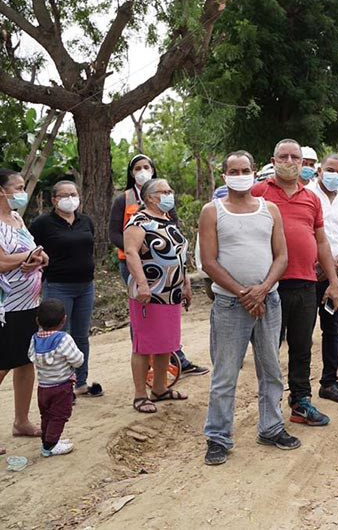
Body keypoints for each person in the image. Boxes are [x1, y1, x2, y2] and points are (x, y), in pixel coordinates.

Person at [200, 151, 299, 465]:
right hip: (231, 304)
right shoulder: (212, 211)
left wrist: (263, 288)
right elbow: (208, 261)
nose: (240, 175)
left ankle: (271, 427)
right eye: (234, 171)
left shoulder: (269, 209)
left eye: (245, 170)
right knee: (225, 374)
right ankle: (218, 437)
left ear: (254, 172)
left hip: (268, 301)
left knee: (271, 369)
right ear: (224, 175)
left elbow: (282, 256)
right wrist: (243, 293)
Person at [251, 139, 338, 427]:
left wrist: (333, 281)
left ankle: (301, 402)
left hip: (305, 284)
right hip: (270, 286)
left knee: (302, 347)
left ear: (303, 163)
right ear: (273, 161)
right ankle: (270, 409)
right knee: (269, 350)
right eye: (283, 156)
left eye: (295, 157)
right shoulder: (258, 193)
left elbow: (321, 241)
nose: (289, 161)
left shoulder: (311, 198)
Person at [109, 154, 207, 377]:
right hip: (142, 272)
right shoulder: (126, 202)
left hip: (170, 285)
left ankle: (170, 372)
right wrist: (139, 249)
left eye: (147, 167)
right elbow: (116, 234)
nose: (169, 195)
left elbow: (176, 243)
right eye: (138, 168)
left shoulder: (166, 213)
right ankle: (144, 380)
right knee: (146, 331)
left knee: (167, 334)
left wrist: (185, 281)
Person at [124, 178, 192, 413]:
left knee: (166, 342)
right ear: (150, 197)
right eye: (164, 191)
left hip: (171, 293)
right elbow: (131, 253)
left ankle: (160, 388)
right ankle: (140, 394)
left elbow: (178, 254)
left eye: (170, 190)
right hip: (150, 292)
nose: (169, 194)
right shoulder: (138, 221)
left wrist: (186, 282)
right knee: (144, 344)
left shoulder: (168, 219)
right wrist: (142, 284)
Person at [29, 180, 102, 397]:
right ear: (54, 200)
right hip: (58, 286)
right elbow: (30, 249)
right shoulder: (42, 224)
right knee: (56, 336)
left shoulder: (85, 221)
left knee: (81, 336)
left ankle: (80, 382)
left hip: (85, 286)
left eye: (74, 194)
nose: (70, 198)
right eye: (64, 195)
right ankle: (59, 387)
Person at [0, 168, 47, 453]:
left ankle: (21, 421)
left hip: (29, 303)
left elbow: (35, 250)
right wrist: (27, 257)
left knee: (26, 361)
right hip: (5, 307)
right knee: (3, 364)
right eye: (17, 187)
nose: (22, 192)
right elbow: (2, 262)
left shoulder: (17, 218)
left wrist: (38, 258)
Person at [307, 153, 338, 405]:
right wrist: (316, 260)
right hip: (308, 276)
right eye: (330, 170)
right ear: (319, 170)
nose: (334, 175)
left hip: (335, 277)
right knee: (303, 332)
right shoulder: (307, 196)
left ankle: (329, 383)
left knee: (333, 329)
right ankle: (300, 389)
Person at [28, 299, 84, 456]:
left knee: (46, 415)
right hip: (62, 386)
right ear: (64, 320)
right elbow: (78, 360)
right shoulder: (64, 339)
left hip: (43, 387)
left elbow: (31, 356)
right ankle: (50, 446)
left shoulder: (35, 338)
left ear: (37, 320)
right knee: (60, 415)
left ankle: (48, 439)